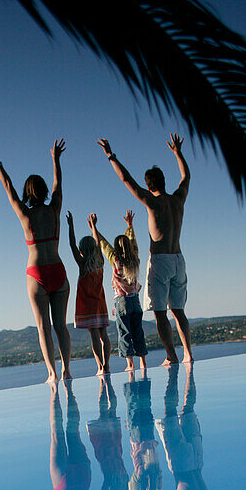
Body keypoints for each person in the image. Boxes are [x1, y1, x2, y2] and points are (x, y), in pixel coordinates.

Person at [97, 134, 193, 366]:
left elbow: (127, 180)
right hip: (179, 259)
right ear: (163, 181)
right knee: (178, 311)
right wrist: (178, 153)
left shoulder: (152, 202)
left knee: (160, 313)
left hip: (160, 260)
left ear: (149, 186)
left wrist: (111, 157)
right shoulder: (178, 199)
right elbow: (186, 176)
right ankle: (188, 353)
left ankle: (171, 355)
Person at [0, 137, 71, 385]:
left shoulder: (25, 215)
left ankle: (52, 373)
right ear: (44, 191)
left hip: (37, 274)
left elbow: (8, 188)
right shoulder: (55, 209)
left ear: (27, 193)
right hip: (58, 269)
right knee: (60, 326)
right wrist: (56, 159)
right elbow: (58, 184)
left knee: (43, 327)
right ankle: (67, 370)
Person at [89, 209, 148, 373]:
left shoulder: (115, 259)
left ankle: (130, 364)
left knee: (125, 333)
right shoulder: (135, 258)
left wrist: (94, 228)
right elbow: (133, 242)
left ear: (117, 248)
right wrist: (130, 226)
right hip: (135, 300)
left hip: (121, 301)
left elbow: (103, 244)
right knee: (138, 330)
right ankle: (143, 360)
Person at [65, 210, 111, 375]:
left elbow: (71, 244)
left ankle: (100, 367)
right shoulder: (100, 261)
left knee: (94, 336)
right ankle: (107, 365)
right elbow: (98, 243)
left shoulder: (83, 263)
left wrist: (71, 226)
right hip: (100, 302)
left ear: (82, 250)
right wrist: (93, 226)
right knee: (104, 335)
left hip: (88, 305)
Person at [86, 375, 129, 490]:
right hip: (109, 445)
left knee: (108, 411)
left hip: (108, 445)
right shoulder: (120, 479)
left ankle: (105, 383)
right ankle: (105, 383)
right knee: (107, 411)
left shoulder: (115, 479)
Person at [123, 372, 163, 490]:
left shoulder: (143, 473)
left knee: (141, 408)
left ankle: (140, 381)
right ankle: (138, 382)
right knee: (138, 408)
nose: (150, 485)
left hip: (143, 436)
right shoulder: (150, 472)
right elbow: (157, 486)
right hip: (141, 436)